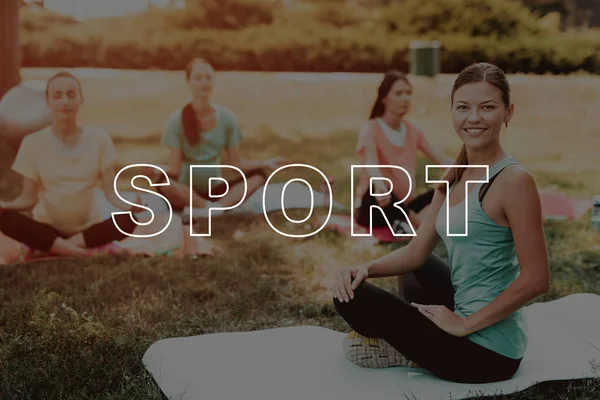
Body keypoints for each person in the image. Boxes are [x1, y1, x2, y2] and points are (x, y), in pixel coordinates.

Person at [331, 62, 550, 384]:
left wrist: (463, 324)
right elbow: (417, 250)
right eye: (463, 107)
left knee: (349, 298)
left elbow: (537, 279)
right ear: (452, 112)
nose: (473, 117)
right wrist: (365, 268)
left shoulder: (514, 180)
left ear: (508, 112)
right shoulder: (454, 175)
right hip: (461, 314)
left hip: (488, 355)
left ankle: (410, 347)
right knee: (368, 279)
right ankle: (419, 341)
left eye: (487, 107)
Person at [0, 71, 144, 257]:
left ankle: (54, 249)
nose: (65, 102)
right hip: (47, 228)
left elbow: (111, 194)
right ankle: (84, 254)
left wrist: (130, 206)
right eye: (57, 96)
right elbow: (28, 199)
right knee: (7, 220)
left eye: (71, 95)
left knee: (128, 221)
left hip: (87, 230)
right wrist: (5, 206)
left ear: (80, 99)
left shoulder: (99, 139)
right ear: (48, 101)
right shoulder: (32, 143)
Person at [146, 57, 287, 220]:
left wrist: (266, 163)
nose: (204, 82)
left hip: (218, 193)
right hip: (186, 193)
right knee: (163, 182)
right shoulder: (176, 120)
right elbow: (175, 169)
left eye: (208, 77)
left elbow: (236, 164)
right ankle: (207, 208)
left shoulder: (227, 118)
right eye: (198, 78)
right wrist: (156, 169)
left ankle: (214, 209)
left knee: (259, 176)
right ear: (189, 82)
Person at [355, 70, 453, 234]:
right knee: (378, 187)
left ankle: (405, 223)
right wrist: (379, 184)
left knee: (449, 186)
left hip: (405, 205)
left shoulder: (412, 130)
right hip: (375, 205)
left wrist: (469, 174)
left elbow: (442, 159)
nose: (405, 98)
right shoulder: (371, 128)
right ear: (384, 98)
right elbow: (370, 163)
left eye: (408, 93)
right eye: (398, 93)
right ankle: (420, 229)